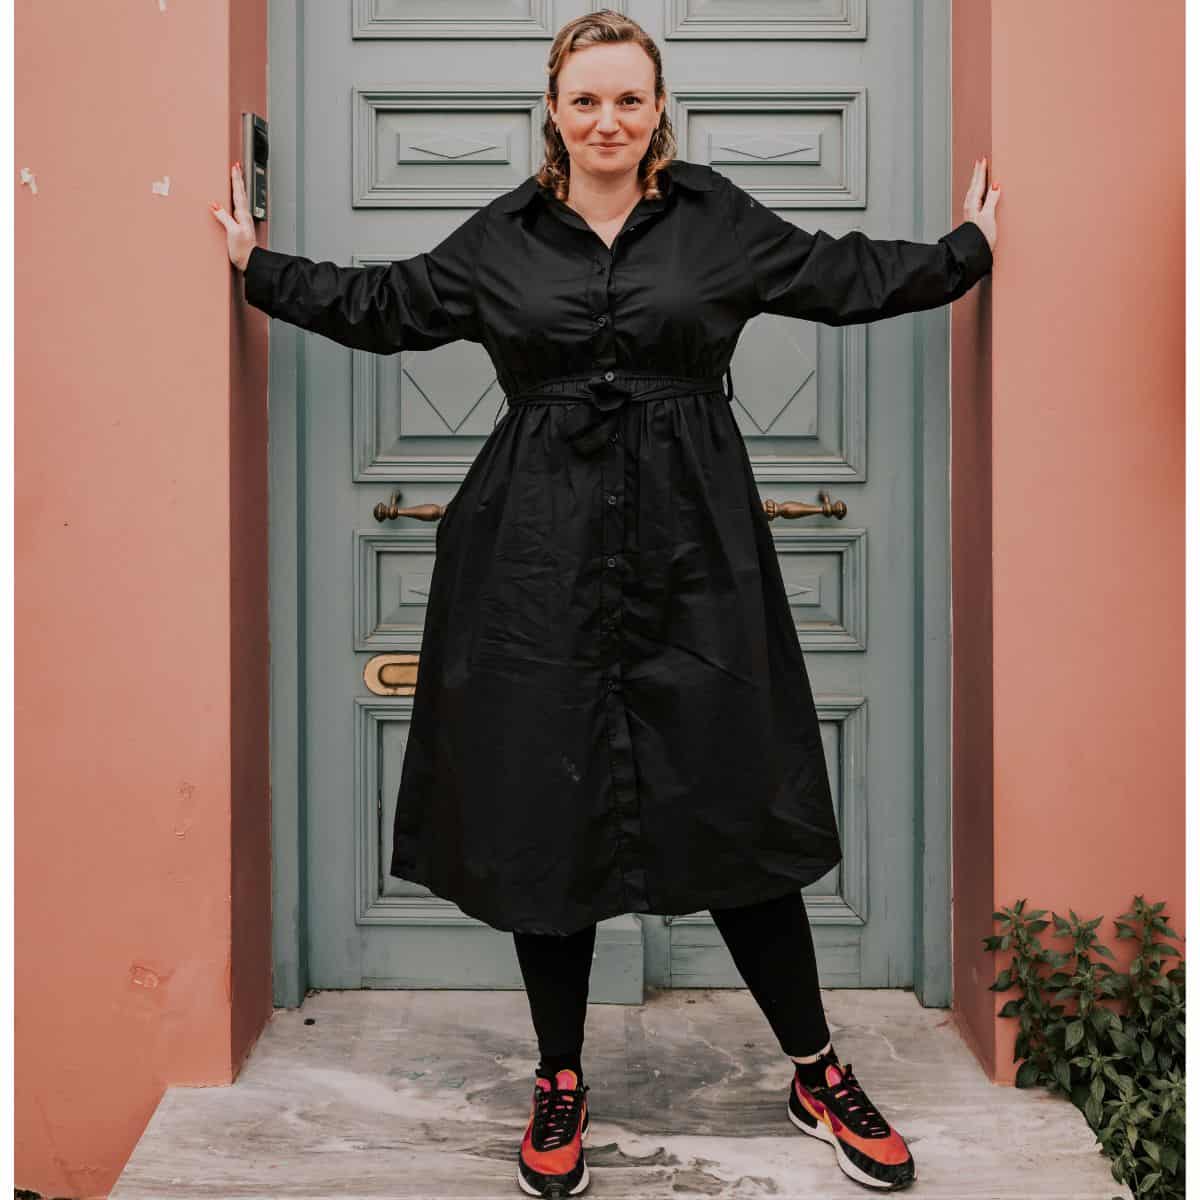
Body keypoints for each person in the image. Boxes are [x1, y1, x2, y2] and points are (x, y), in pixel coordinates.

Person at [211, 11, 999, 1196]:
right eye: (586, 100)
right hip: (536, 561)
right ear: (553, 110)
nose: (608, 121)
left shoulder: (716, 220)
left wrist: (966, 251)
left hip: (695, 556)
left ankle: (815, 1068)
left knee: (736, 799)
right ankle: (560, 1074)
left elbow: (844, 276)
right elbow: (387, 305)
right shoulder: (504, 238)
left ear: (658, 107)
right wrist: (257, 267)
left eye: (629, 99)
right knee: (549, 811)